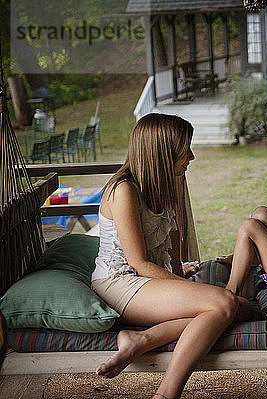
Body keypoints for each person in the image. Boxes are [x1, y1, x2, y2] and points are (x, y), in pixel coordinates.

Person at [91, 113, 238, 399]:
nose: (191, 156)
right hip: (121, 282)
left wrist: (180, 275)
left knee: (239, 308)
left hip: (149, 280)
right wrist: (192, 289)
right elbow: (138, 263)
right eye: (185, 149)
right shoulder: (123, 190)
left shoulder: (167, 184)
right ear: (162, 151)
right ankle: (166, 394)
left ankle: (141, 339)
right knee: (222, 304)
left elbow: (171, 246)